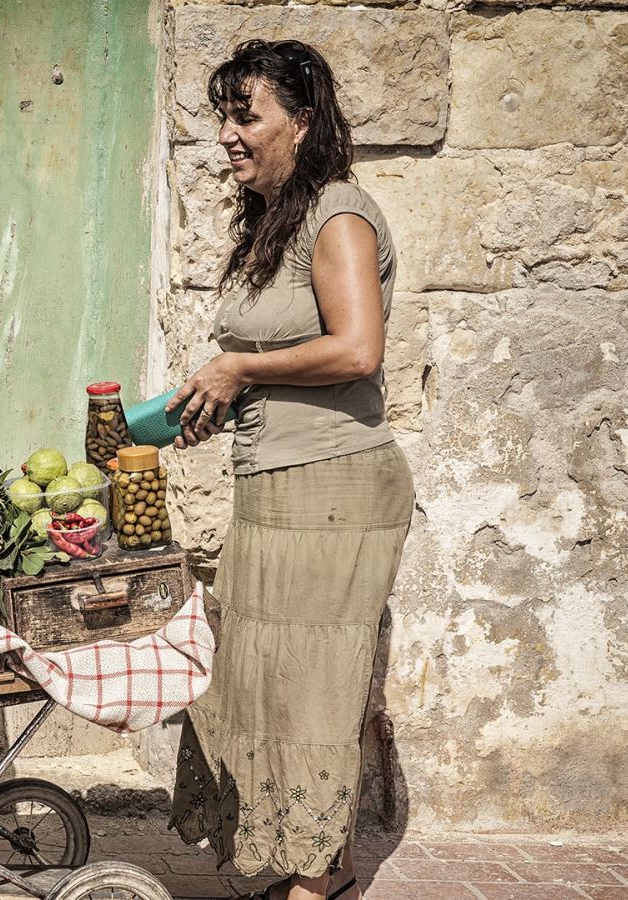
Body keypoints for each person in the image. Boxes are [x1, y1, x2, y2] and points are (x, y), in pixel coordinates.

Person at [163, 40, 414, 900]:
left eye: (247, 115)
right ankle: (315, 861)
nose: (228, 136)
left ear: (303, 123)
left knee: (312, 692)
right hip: (273, 490)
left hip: (337, 488)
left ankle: (322, 878)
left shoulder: (337, 212)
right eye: (223, 117)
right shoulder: (270, 225)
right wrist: (215, 397)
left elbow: (356, 347)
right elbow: (283, 352)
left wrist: (241, 370)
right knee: (264, 685)